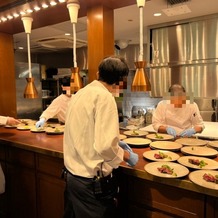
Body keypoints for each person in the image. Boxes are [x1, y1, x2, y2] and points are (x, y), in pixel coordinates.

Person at [63, 56, 139, 218]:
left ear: (98, 73)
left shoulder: (81, 93)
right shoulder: (105, 97)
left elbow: (83, 130)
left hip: (72, 178)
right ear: (121, 80)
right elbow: (105, 147)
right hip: (90, 183)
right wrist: (125, 155)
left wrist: (115, 142)